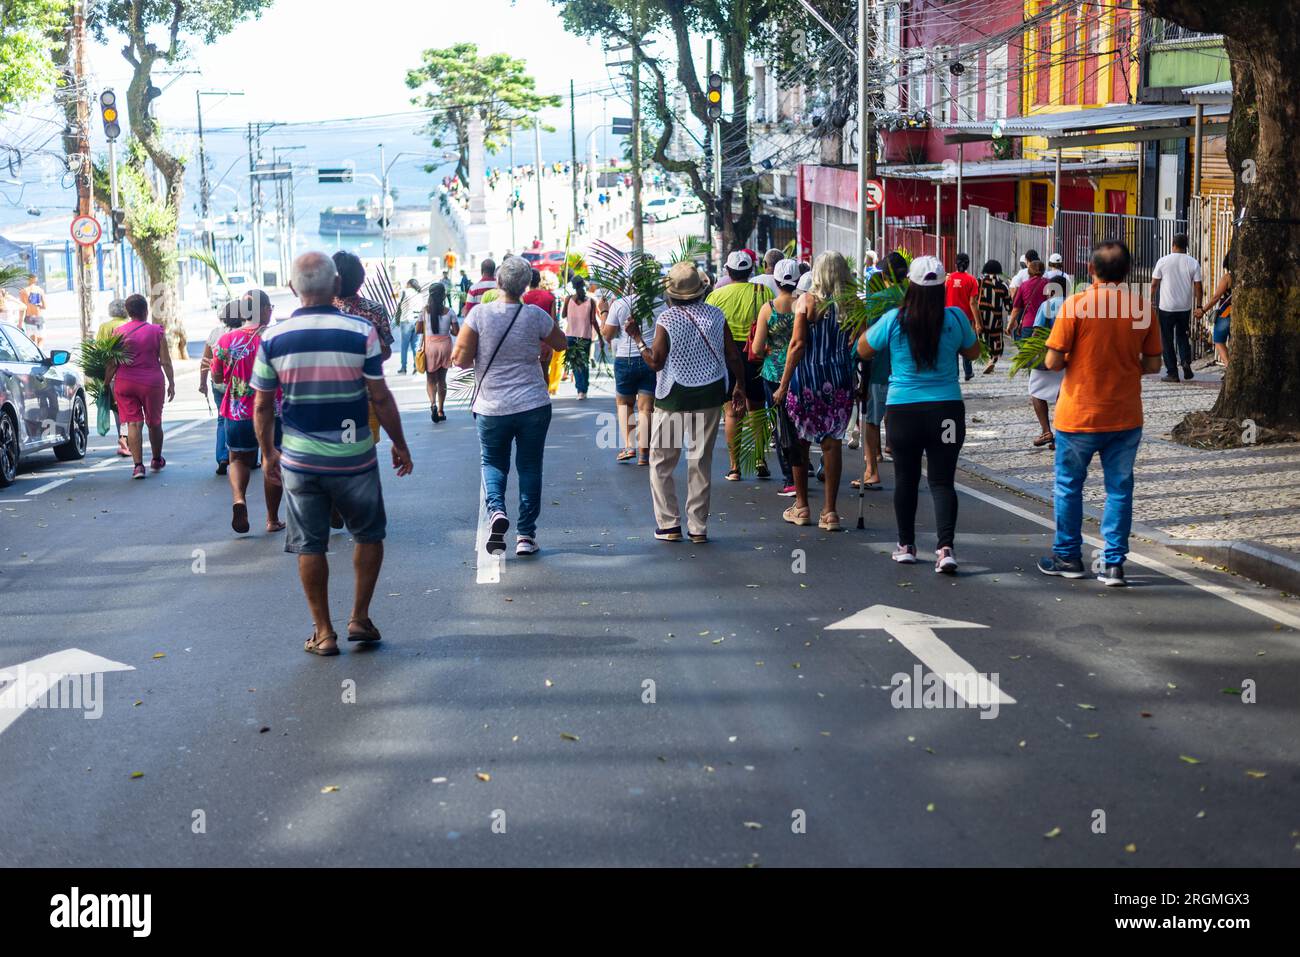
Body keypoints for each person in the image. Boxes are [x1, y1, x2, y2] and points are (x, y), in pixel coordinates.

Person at [252, 252, 413, 656]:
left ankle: (323, 633)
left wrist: (268, 453)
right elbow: (380, 395)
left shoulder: (272, 338)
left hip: (300, 459)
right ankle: (359, 617)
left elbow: (262, 406)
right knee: (368, 533)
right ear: (336, 285)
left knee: (309, 544)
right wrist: (399, 442)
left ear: (293, 288)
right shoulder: (361, 332)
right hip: (354, 456)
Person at [1037, 241, 1163, 588]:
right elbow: (1153, 364)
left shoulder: (1075, 305)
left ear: (1091, 270)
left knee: (1068, 487)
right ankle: (1113, 565)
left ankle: (1068, 557)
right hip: (1124, 416)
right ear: (1127, 273)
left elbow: (1052, 361)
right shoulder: (1141, 308)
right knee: (1120, 489)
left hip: (1077, 414)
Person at [858, 256, 980, 572]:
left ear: (910, 286)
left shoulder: (894, 319)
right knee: (942, 481)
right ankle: (945, 549)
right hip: (947, 412)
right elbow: (973, 352)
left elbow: (863, 349)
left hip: (903, 412)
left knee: (906, 479)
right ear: (942, 287)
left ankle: (906, 545)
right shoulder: (954, 318)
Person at [453, 255, 567, 557]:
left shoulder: (478, 315)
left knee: (493, 463)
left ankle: (497, 512)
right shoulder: (535, 316)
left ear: (499, 282)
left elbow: (461, 358)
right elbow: (562, 343)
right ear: (526, 285)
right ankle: (526, 536)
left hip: (492, 406)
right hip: (533, 404)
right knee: (529, 467)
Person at [627, 261, 745, 544]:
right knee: (700, 462)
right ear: (701, 289)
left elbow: (656, 363)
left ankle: (668, 524)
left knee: (662, 462)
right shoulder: (716, 316)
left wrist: (637, 340)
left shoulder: (667, 320)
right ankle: (698, 527)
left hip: (674, 398)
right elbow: (732, 355)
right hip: (710, 394)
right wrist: (740, 385)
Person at [772, 250, 855, 531]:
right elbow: (861, 345)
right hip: (840, 379)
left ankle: (802, 506)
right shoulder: (853, 305)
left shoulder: (806, 301)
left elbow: (796, 345)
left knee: (801, 441)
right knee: (832, 443)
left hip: (807, 377)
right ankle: (830, 512)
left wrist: (783, 385)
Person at [211, 291, 283, 535]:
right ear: (263, 310)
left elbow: (217, 376)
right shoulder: (275, 338)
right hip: (272, 411)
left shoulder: (226, 340)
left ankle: (239, 499)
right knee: (270, 460)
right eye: (269, 306)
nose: (271, 310)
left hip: (236, 410)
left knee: (239, 459)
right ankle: (272, 519)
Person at [706, 250, 773, 480]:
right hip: (754, 356)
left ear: (728, 271)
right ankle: (759, 459)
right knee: (757, 410)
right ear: (750, 270)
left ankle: (735, 468)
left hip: (727, 358)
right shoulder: (762, 291)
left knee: (731, 413)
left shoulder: (716, 296)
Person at [105, 294, 175, 479]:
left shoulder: (117, 333)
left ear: (128, 312)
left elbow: (112, 363)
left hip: (125, 383)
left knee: (133, 424)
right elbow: (165, 361)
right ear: (146, 310)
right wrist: (172, 382)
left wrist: (105, 384)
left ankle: (138, 467)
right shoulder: (156, 331)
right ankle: (156, 459)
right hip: (152, 383)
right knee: (154, 422)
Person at [750, 258, 801, 496]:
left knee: (780, 425)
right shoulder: (804, 305)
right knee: (800, 423)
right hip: (801, 372)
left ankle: (789, 478)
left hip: (773, 374)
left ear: (777, 281)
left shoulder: (768, 309)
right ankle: (802, 467)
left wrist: (773, 350)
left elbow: (758, 348)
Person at [603, 268, 664, 465]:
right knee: (646, 407)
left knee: (624, 403)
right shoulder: (660, 305)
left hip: (625, 359)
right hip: (649, 357)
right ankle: (644, 454)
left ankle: (629, 446)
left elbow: (608, 335)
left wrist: (604, 312)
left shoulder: (620, 304)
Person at [333, 251, 394, 446]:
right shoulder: (375, 311)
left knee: (336, 453)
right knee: (362, 452)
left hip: (327, 398)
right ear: (360, 279)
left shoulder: (318, 313)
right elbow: (385, 352)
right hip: (365, 395)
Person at [1150, 233, 1203, 382]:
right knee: (1182, 336)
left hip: (1166, 307)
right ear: (1186, 246)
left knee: (1166, 340)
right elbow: (1198, 286)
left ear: (1173, 244)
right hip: (1184, 307)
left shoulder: (1163, 261)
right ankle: (1185, 361)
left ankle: (1172, 372)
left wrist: (1151, 301)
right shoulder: (1193, 262)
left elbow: (1154, 284)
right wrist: (1199, 305)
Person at [200, 303, 244, 475]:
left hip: (218, 383)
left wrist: (202, 383)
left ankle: (223, 456)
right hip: (239, 383)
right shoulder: (245, 333)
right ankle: (247, 456)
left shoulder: (215, 333)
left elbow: (205, 361)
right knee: (242, 416)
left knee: (222, 418)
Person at [1027, 280, 1067, 451]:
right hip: (1068, 356)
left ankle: (1046, 432)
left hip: (1048, 354)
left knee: (1035, 391)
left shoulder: (1047, 305)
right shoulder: (1074, 304)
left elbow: (1037, 332)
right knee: (1063, 395)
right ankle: (1060, 435)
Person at [96, 298, 131, 457]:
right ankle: (127, 439)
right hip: (132, 372)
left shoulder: (105, 327)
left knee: (119, 409)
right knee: (131, 409)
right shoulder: (130, 324)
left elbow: (99, 351)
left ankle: (123, 438)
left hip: (112, 374)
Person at [561, 275, 598, 399]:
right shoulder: (591, 301)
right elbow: (593, 320)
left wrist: (566, 303)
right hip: (585, 337)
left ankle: (580, 390)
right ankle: (583, 389)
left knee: (576, 364)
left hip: (571, 335)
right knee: (583, 363)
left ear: (573, 286)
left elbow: (563, 315)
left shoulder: (568, 299)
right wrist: (601, 338)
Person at [423, 282, 456, 422]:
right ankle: (441, 410)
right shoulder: (450, 312)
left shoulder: (424, 311)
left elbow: (418, 329)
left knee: (431, 379)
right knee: (441, 380)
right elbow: (456, 332)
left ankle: (433, 404)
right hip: (445, 347)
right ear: (443, 296)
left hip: (430, 347)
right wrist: (446, 329)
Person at [945, 253, 980, 381]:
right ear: (968, 264)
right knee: (967, 343)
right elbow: (973, 303)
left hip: (949, 317)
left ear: (955, 263)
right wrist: (978, 323)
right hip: (966, 319)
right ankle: (968, 372)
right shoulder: (972, 280)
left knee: (952, 345)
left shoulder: (948, 279)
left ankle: (955, 374)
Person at [1196, 251, 1233, 367]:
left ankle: (1228, 367)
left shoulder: (1228, 278)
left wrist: (1202, 310)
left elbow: (1216, 297)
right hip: (1242, 315)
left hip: (1226, 313)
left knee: (1218, 340)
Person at [976, 259, 1010, 374]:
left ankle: (985, 359)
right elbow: (1009, 306)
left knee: (983, 338)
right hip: (996, 319)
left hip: (981, 317)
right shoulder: (1003, 285)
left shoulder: (979, 282)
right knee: (995, 340)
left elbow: (972, 300)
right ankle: (992, 359)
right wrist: (1011, 322)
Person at [1008, 258, 1049, 341]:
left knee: (1027, 353)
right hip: (1044, 325)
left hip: (1028, 324)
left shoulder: (1024, 285)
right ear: (1043, 271)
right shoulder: (1049, 283)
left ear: (1029, 271)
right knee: (1043, 353)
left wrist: (1010, 325)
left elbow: (1016, 309)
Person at [396, 278, 424, 375]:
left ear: (408, 284)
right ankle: (416, 367)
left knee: (404, 346)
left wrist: (398, 287)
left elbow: (397, 299)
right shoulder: (419, 294)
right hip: (417, 321)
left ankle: (403, 368)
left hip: (406, 320)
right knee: (415, 346)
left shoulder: (405, 291)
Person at [18, 274, 45, 347]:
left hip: (28, 318)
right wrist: (38, 305)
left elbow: (22, 308)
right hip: (38, 318)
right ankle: (40, 355)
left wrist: (20, 322)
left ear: (28, 280)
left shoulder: (23, 291)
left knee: (32, 340)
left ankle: (34, 356)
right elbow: (44, 306)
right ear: (35, 279)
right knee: (41, 339)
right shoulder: (40, 290)